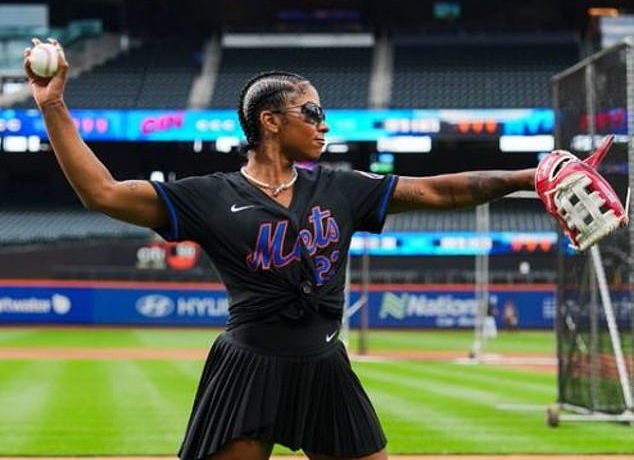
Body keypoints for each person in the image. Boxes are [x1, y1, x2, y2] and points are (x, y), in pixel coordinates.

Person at [25, 38, 535, 460]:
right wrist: (52, 104)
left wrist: (528, 176)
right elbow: (103, 193)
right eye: (312, 111)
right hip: (249, 368)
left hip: (325, 366)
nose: (324, 124)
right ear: (270, 121)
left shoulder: (344, 188)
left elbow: (442, 190)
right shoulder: (209, 195)